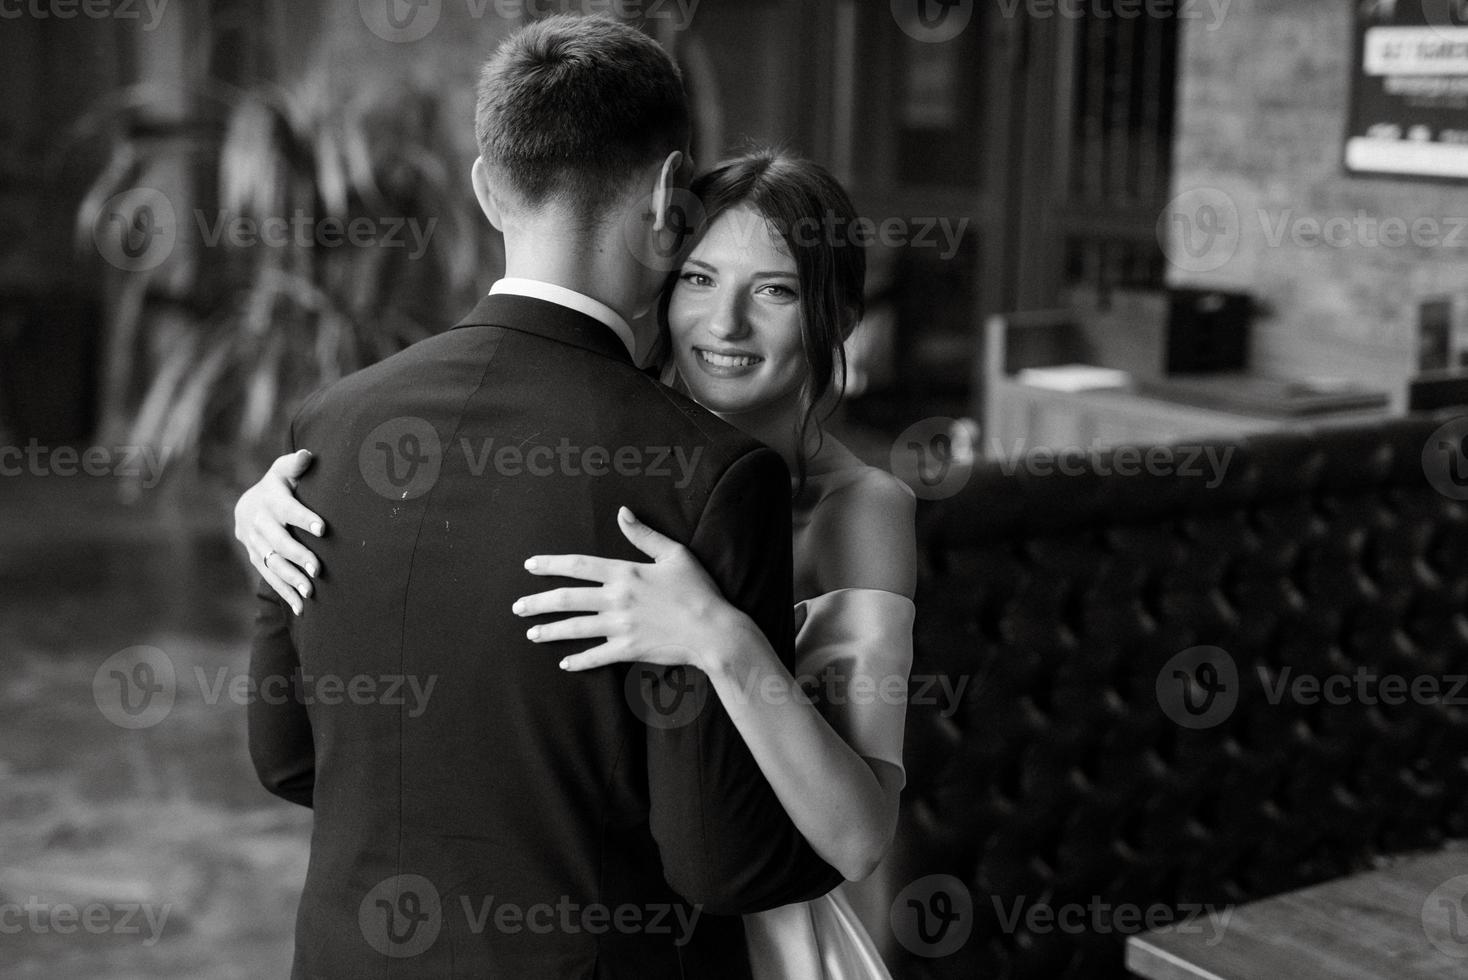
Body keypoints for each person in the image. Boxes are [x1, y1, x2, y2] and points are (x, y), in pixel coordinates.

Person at [241, 15, 844, 979]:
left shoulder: (332, 425)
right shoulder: (709, 475)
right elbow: (720, 860)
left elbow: (284, 756)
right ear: (666, 198)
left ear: (486, 188)